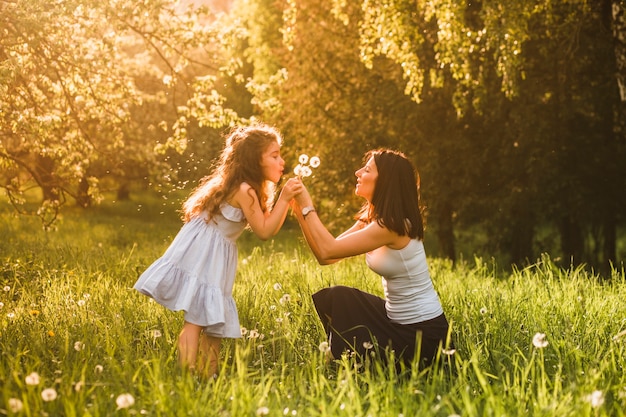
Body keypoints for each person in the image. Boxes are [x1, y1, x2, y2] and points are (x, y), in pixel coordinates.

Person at [134, 123, 302, 379]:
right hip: (205, 250)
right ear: (255, 160)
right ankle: (186, 378)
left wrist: (286, 199)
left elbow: (269, 227)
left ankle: (207, 377)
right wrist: (285, 197)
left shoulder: (249, 187)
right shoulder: (245, 190)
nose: (282, 161)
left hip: (214, 249)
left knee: (213, 317)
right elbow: (264, 232)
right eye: (275, 155)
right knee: (197, 319)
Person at [292, 149, 452, 370]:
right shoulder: (374, 219)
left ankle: (344, 365)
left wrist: (308, 205)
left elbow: (328, 250)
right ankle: (344, 362)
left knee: (342, 302)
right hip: (396, 321)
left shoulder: (393, 226)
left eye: (366, 169)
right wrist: (302, 214)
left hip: (422, 336)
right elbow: (325, 256)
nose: (358, 172)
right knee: (338, 298)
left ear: (385, 181)